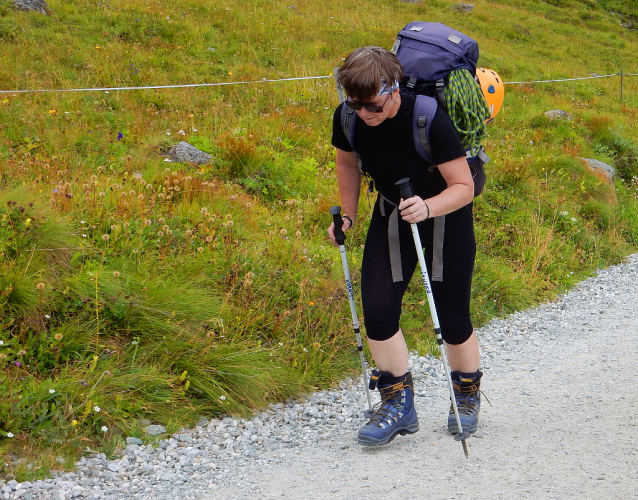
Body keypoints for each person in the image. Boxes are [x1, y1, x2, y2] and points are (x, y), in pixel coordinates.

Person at [327, 46, 483, 446]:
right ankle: (398, 404)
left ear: (394, 90)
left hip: (444, 213)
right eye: (356, 105)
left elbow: (464, 187)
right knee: (378, 311)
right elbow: (347, 163)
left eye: (373, 106)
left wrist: (428, 206)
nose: (365, 114)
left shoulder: (428, 117)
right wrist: (348, 216)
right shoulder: (348, 117)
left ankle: (465, 396)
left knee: (452, 317)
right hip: (392, 212)